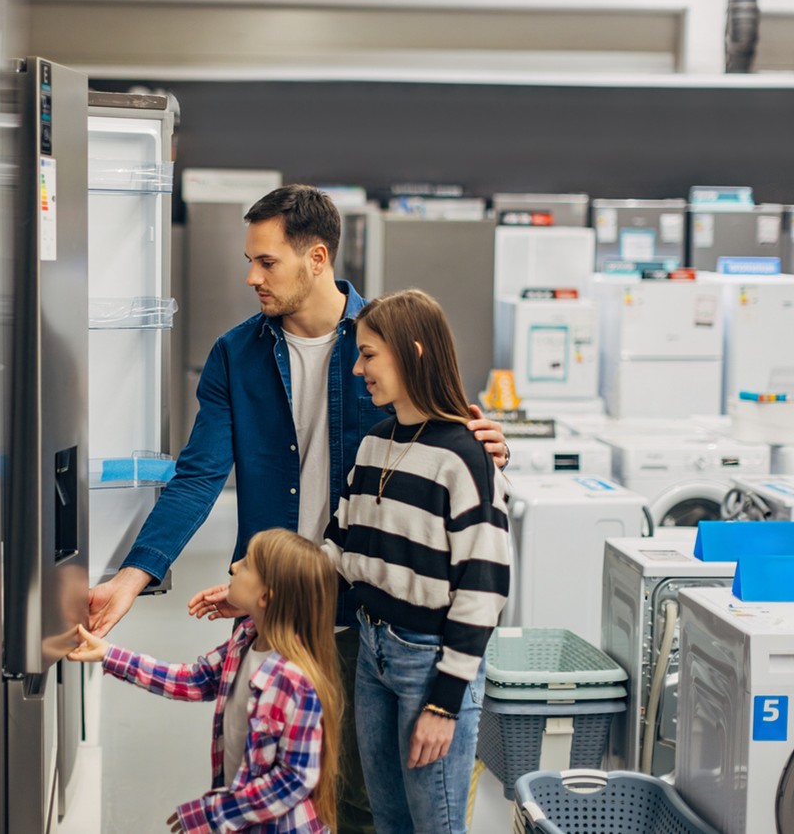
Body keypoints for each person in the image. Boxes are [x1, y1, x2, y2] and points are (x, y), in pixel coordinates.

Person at [88, 184, 509, 832]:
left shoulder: (380, 347)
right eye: (249, 260)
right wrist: (132, 574)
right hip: (273, 606)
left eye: (266, 261)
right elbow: (200, 473)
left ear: (316, 257)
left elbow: (440, 436)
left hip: (362, 615)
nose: (250, 275)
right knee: (259, 785)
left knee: (366, 800)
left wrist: (480, 441)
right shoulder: (237, 354)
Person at [321, 289, 510, 834]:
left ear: (414, 353)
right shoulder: (374, 445)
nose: (359, 370)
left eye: (369, 355)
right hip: (371, 653)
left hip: (430, 663)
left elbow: (485, 588)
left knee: (437, 825)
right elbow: (339, 549)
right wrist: (265, 588)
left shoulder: (466, 456)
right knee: (389, 821)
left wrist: (445, 703)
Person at [69, 529, 343, 833]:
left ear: (266, 596)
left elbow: (293, 779)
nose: (234, 566)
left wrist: (214, 813)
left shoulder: (295, 680)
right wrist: (109, 654)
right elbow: (194, 679)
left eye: (248, 563)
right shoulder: (245, 638)